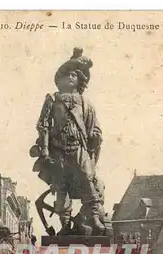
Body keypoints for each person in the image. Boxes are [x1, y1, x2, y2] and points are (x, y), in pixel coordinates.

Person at [32, 48, 105, 235]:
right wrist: (45, 152)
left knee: (89, 179)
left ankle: (95, 217)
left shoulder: (85, 103)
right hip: (59, 151)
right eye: (66, 75)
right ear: (59, 80)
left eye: (74, 75)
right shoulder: (53, 100)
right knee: (61, 187)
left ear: (80, 80)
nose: (70, 78)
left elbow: (93, 126)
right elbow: (44, 125)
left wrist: (96, 136)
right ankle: (65, 224)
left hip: (79, 149)